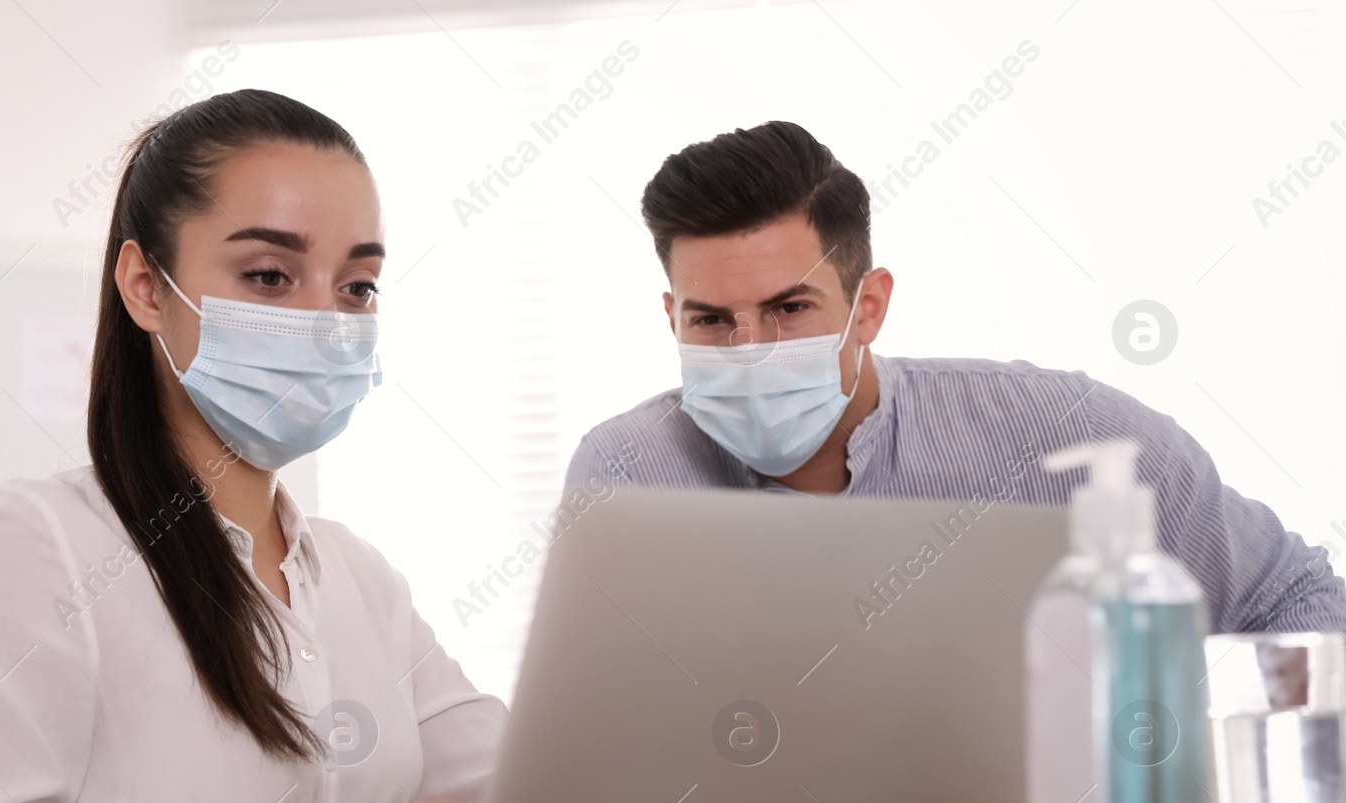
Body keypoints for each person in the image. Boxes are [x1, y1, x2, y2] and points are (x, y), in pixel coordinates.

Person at [0, 90, 505, 803]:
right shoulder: (41, 542)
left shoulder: (358, 577)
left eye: (358, 286)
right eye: (269, 275)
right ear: (144, 287)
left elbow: (528, 796)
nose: (327, 321)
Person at [566, 120, 1346, 633]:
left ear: (867, 306)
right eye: (711, 320)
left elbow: (1294, 602)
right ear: (672, 318)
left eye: (789, 308)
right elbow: (596, 741)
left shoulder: (1064, 435)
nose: (750, 348)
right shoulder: (626, 474)